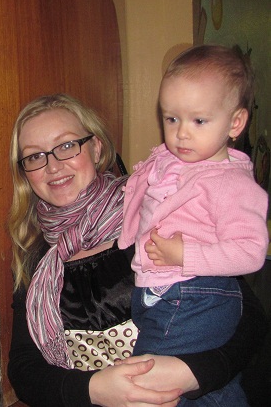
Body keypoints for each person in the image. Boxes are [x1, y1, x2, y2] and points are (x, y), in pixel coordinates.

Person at [7, 93, 267, 406]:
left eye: (66, 145)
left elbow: (248, 316)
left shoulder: (156, 212)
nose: (52, 166)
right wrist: (94, 389)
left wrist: (191, 374)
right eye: (35, 156)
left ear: (96, 147)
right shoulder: (35, 256)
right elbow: (24, 369)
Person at [118, 45, 268, 406]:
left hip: (196, 295)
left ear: (235, 123)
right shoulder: (172, 159)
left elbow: (251, 251)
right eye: (172, 119)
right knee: (201, 391)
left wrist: (187, 254)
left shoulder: (230, 182)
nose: (181, 133)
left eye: (198, 121)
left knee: (147, 384)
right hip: (161, 292)